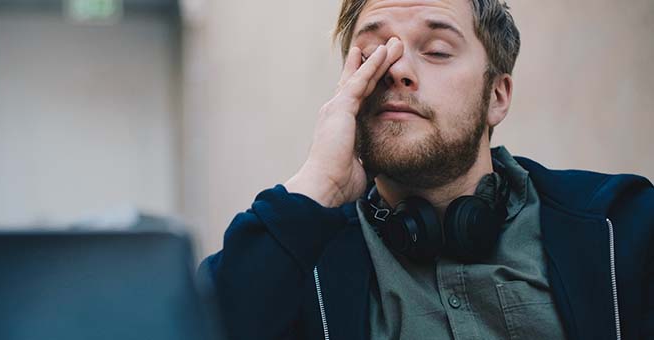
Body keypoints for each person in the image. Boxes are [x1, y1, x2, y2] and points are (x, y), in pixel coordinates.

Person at [199, 0, 654, 339]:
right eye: (373, 54)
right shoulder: (295, 262)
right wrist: (319, 184)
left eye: (437, 51)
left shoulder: (624, 226)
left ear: (497, 96)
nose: (397, 71)